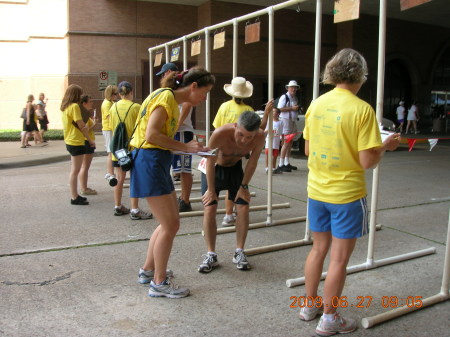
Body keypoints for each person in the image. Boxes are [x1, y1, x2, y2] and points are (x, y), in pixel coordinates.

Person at [300, 48, 400, 336]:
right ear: (359, 76)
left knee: (318, 249)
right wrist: (385, 146)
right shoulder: (362, 110)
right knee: (339, 260)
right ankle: (330, 318)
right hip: (347, 195)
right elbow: (367, 161)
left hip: (317, 191)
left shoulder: (316, 104)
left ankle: (310, 306)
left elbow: (307, 149)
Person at [131, 67, 215, 298]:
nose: (204, 98)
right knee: (170, 225)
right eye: (205, 92)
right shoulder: (166, 98)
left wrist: (194, 148)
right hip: (150, 161)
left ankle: (149, 271)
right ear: (193, 86)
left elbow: (159, 137)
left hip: (155, 161)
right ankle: (159, 283)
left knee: (170, 222)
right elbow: (152, 135)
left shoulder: (167, 98)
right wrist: (188, 147)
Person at [198, 110, 265, 273]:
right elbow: (209, 160)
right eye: (241, 134)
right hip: (213, 168)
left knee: (243, 206)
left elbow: (252, 163)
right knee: (210, 206)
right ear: (235, 126)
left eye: (249, 137)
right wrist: (211, 189)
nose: (244, 140)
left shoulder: (260, 136)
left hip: (235, 169)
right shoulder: (220, 134)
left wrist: (244, 186)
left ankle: (239, 252)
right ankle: (211, 254)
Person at [212, 77, 255, 227]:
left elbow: (216, 128)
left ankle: (229, 214)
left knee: (232, 186)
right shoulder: (246, 109)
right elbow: (217, 130)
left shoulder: (228, 107)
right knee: (228, 186)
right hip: (229, 150)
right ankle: (229, 214)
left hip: (232, 150)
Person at [110, 81, 152, 220]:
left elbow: (112, 127)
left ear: (119, 94)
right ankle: (135, 209)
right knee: (134, 178)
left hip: (118, 149)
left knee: (119, 178)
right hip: (133, 148)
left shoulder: (113, 107)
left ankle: (118, 206)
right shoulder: (136, 107)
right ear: (131, 92)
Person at [61, 84, 95, 205]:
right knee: (75, 170)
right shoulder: (75, 106)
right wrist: (90, 140)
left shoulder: (65, 107)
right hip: (76, 141)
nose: (81, 96)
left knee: (74, 170)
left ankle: (75, 195)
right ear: (75, 94)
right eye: (80, 93)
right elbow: (81, 126)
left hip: (70, 140)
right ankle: (74, 197)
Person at [172, 102, 195, 212]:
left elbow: (186, 104)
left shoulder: (182, 86)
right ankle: (183, 198)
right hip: (179, 131)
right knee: (180, 169)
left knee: (184, 169)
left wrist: (176, 125)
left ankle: (185, 201)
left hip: (182, 131)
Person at [277, 80, 301, 172]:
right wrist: (292, 108)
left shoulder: (294, 98)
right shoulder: (284, 97)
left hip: (292, 121)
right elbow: (279, 109)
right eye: (292, 87)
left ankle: (286, 162)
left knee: (290, 142)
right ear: (288, 88)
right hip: (286, 121)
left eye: (295, 87)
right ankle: (281, 163)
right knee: (286, 142)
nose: (294, 89)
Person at [79, 95, 98, 196]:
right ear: (84, 103)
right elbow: (85, 129)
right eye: (90, 102)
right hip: (87, 141)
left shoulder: (84, 114)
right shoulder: (84, 115)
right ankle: (84, 188)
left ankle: (84, 187)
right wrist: (94, 124)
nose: (92, 103)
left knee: (85, 166)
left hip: (87, 141)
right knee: (85, 167)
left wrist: (93, 123)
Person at [101, 85, 119, 187]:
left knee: (112, 151)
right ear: (110, 94)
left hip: (110, 129)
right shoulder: (107, 104)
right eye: (115, 94)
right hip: (108, 129)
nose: (117, 96)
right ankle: (110, 173)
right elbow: (109, 117)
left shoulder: (110, 102)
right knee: (110, 151)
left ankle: (111, 172)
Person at [264, 108, 283, 174]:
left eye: (274, 111)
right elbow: (265, 130)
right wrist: (270, 130)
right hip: (269, 140)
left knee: (275, 155)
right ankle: (267, 168)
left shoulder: (280, 122)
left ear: (278, 114)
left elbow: (281, 132)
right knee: (268, 154)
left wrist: (282, 140)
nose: (273, 113)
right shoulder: (269, 121)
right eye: (272, 111)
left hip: (276, 140)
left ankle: (273, 168)